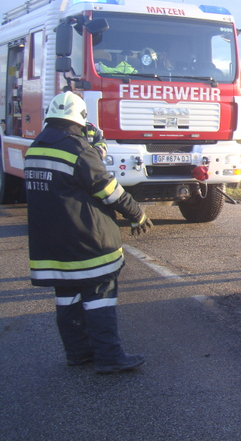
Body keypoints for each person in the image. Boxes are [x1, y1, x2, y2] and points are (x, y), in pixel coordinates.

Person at [25, 91, 153, 374]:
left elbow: (67, 181)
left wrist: (94, 152)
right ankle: (109, 357)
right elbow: (108, 190)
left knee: (67, 298)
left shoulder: (36, 148)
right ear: (81, 119)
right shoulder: (80, 150)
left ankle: (77, 353)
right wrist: (137, 213)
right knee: (100, 297)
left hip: (52, 245)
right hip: (86, 243)